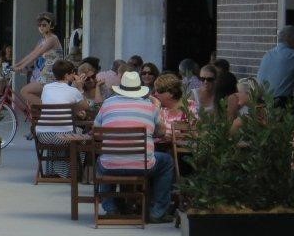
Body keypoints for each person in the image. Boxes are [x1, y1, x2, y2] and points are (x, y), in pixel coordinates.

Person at [93, 70, 175, 222]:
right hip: (143, 165)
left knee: (102, 161)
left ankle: (111, 208)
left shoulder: (108, 103)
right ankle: (157, 212)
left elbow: (96, 132)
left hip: (110, 165)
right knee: (167, 162)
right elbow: (162, 132)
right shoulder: (150, 106)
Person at [34, 59, 88, 177]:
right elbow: (85, 106)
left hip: (43, 136)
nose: (74, 75)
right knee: (84, 137)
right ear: (67, 75)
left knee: (61, 129)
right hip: (64, 137)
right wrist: (80, 88)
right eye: (72, 73)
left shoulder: (46, 88)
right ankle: (72, 173)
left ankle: (53, 171)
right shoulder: (73, 91)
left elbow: (54, 104)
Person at [14, 12, 63, 109]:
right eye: (39, 25)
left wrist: (22, 66)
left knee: (25, 91)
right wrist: (16, 64)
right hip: (46, 73)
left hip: (52, 74)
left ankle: (51, 110)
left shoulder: (52, 39)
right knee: (32, 101)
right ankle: (44, 114)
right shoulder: (43, 40)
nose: (41, 27)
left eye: (44, 25)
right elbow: (32, 53)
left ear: (51, 25)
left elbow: (37, 54)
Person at [257, 25, 294, 107]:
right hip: (279, 106)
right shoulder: (291, 55)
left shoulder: (268, 54)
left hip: (260, 103)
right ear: (290, 39)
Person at [152, 72, 197, 136]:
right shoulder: (159, 109)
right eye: (155, 90)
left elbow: (194, 136)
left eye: (159, 91)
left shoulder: (190, 108)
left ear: (171, 93)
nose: (155, 94)